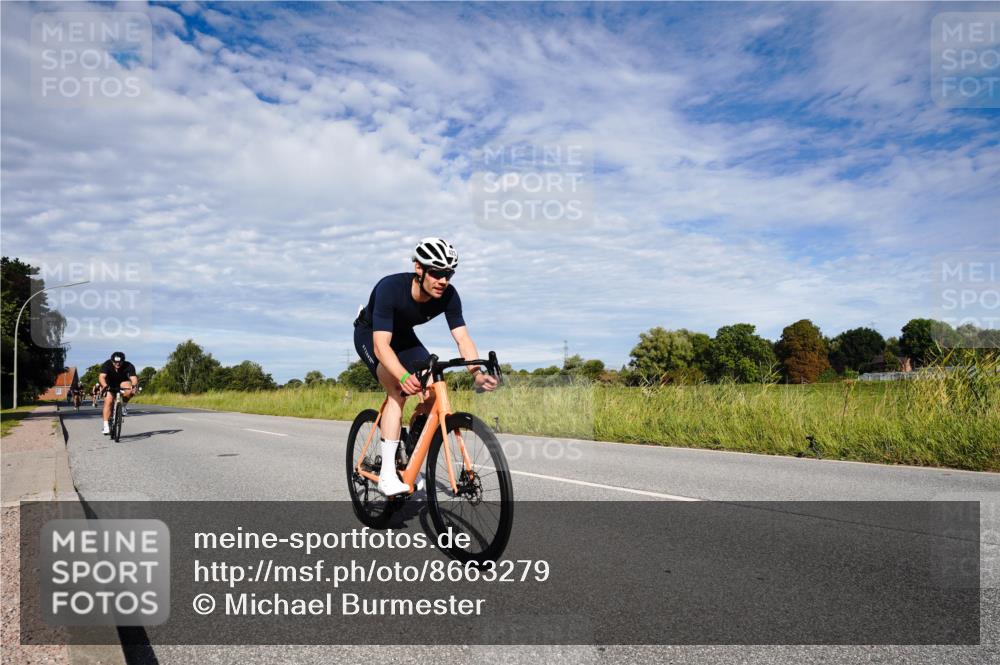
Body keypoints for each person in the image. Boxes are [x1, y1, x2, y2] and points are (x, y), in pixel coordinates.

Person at [353, 237, 498, 496]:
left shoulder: (448, 296)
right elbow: (381, 347)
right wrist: (403, 374)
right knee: (397, 390)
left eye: (449, 274)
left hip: (403, 336)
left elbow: (462, 338)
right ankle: (387, 474)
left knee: (431, 389)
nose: (443, 280)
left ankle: (411, 445)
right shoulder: (390, 288)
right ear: (419, 268)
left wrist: (476, 373)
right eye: (437, 273)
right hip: (372, 334)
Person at [99, 351, 138, 435]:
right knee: (108, 401)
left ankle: (123, 406)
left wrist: (134, 386)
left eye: (119, 362)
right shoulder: (107, 364)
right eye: (115, 362)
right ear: (112, 361)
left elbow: (133, 378)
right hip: (110, 384)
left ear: (123, 361)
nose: (117, 364)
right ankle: (106, 426)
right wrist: (104, 385)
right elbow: (102, 377)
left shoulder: (129, 365)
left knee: (129, 390)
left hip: (123, 383)